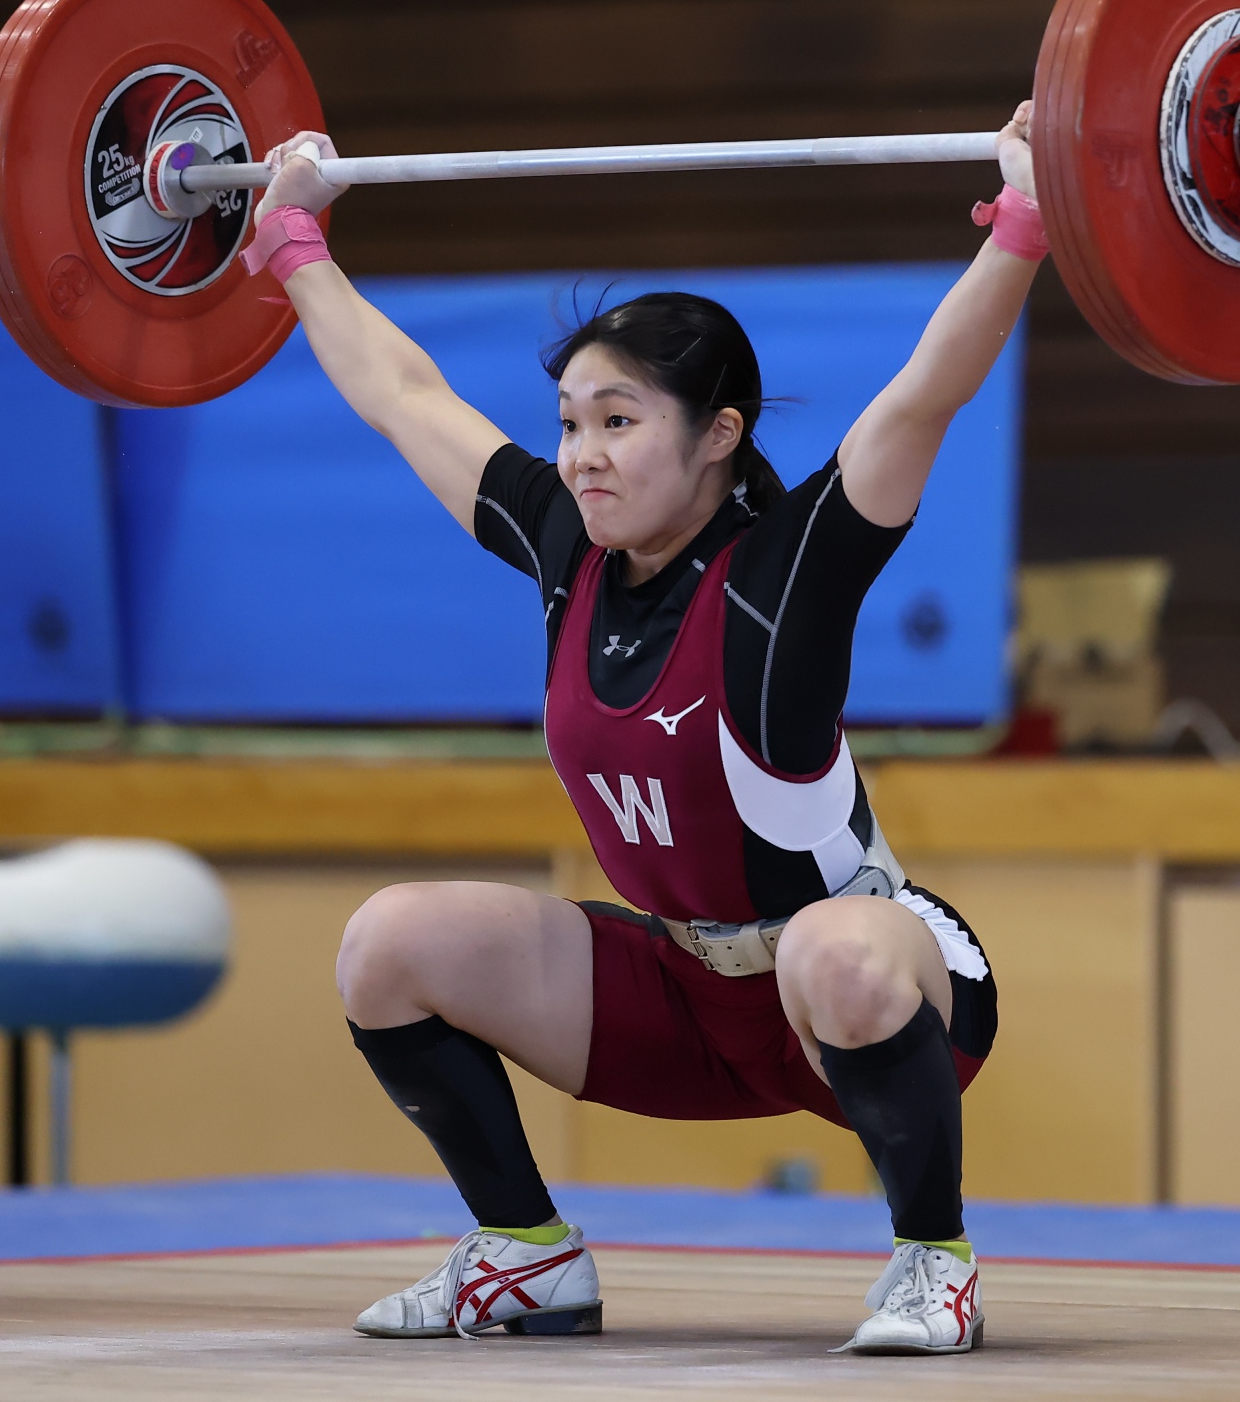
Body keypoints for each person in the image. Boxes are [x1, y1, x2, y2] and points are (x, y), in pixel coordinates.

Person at [237, 103, 1046, 1354]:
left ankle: (934, 1264)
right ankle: (526, 1252)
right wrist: (294, 243)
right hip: (682, 993)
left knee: (832, 951)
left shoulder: (786, 572)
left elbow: (924, 395)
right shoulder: (568, 552)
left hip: (865, 996)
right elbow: (404, 397)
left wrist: (1026, 222)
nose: (580, 456)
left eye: (617, 421)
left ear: (720, 436)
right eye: (569, 422)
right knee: (387, 945)